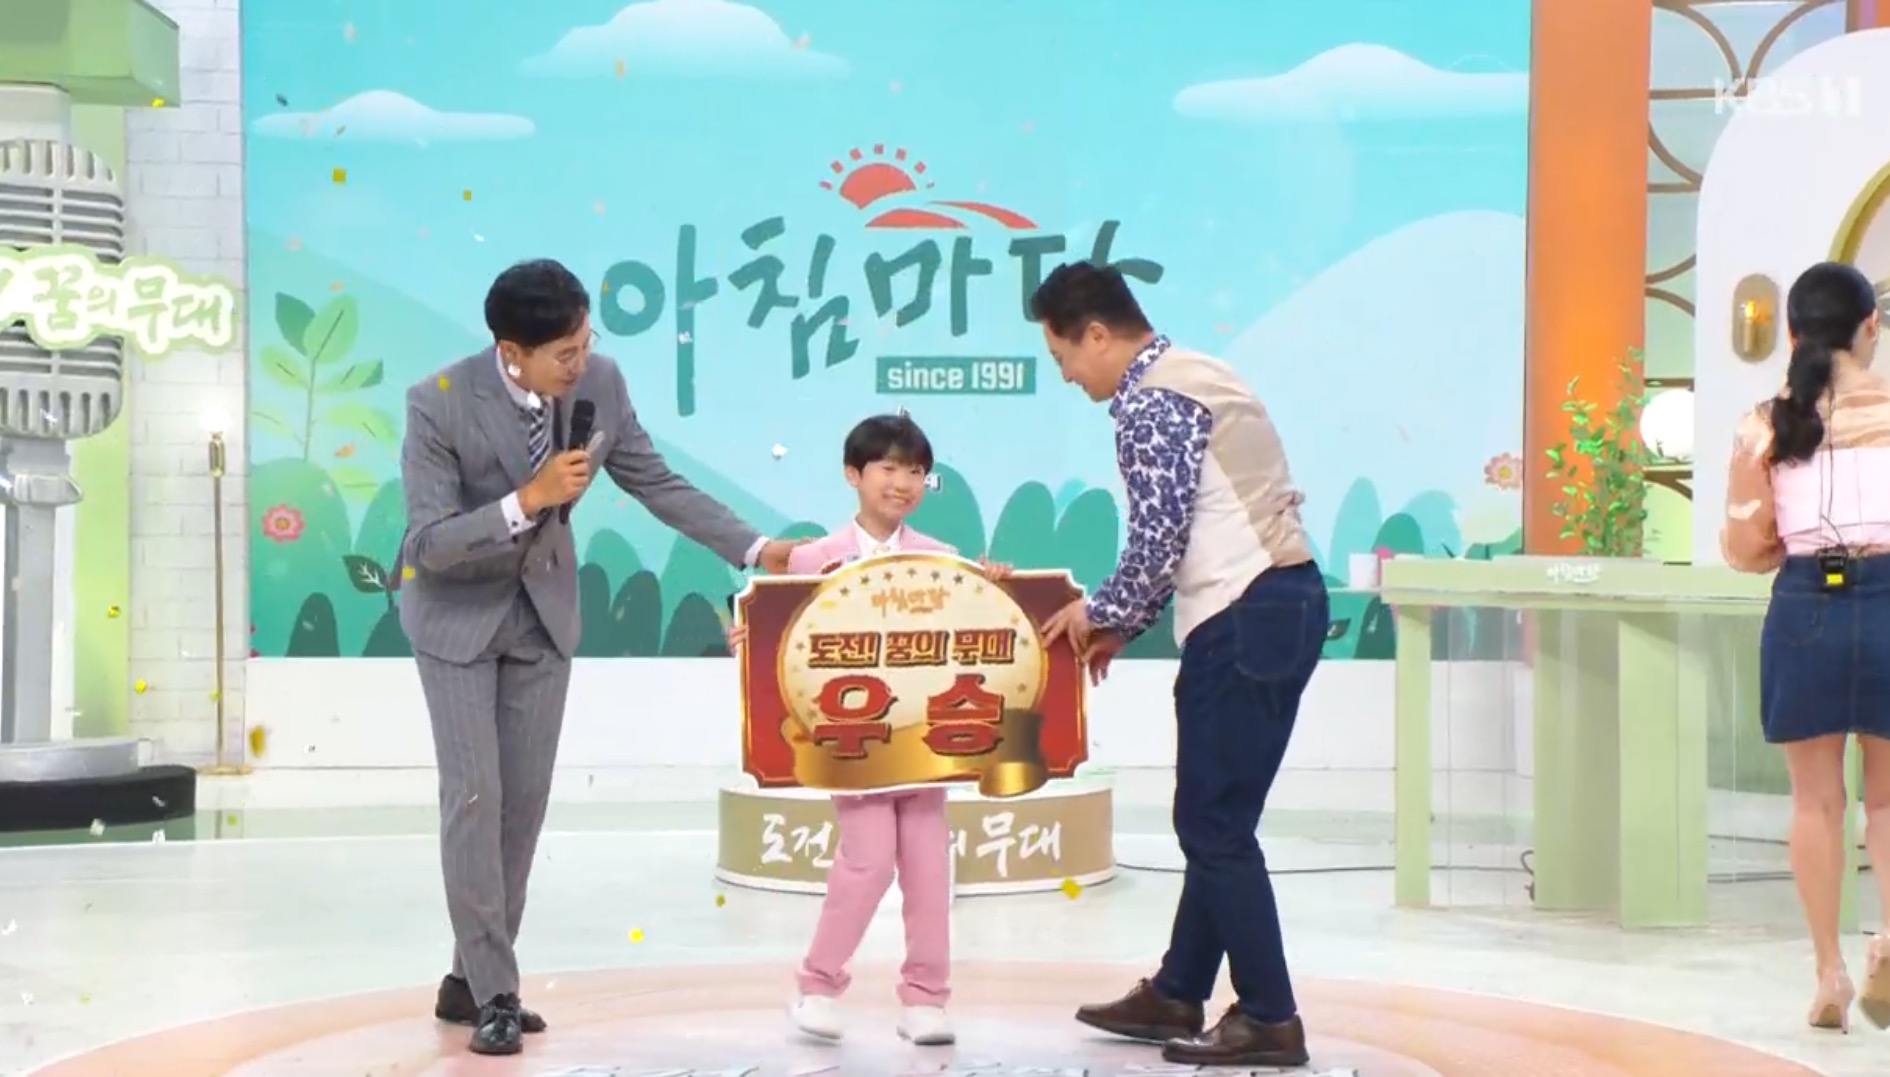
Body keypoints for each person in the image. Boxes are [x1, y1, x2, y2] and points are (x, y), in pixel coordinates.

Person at [396, 259, 804, 1055]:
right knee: (475, 798)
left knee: (521, 805)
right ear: (511, 352)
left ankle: (467, 979)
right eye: (564, 353)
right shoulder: (437, 401)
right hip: (456, 619)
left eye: (586, 342)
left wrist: (758, 548)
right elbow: (428, 543)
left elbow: (657, 481)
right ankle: (498, 991)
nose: (580, 362)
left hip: (542, 618)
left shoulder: (602, 384)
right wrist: (528, 500)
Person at [1031, 262, 1328, 1068]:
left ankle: (1270, 1016)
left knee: (1211, 824)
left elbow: (1158, 537)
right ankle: (1178, 988)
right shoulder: (1198, 372)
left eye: (1063, 355)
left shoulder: (1150, 399)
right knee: (1220, 819)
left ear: (1097, 334)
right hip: (1283, 602)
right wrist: (1128, 624)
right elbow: (1194, 526)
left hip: (1244, 613)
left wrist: (1099, 612)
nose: (1067, 375)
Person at [725, 413, 1009, 1047]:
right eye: (888, 467)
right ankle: (818, 985)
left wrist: (992, 589)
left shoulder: (943, 559)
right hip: (852, 742)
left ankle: (926, 1000)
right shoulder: (812, 558)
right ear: (853, 475)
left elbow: (975, 637)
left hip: (923, 742)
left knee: (930, 870)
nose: (902, 482)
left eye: (916, 471)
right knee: (868, 861)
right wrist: (748, 637)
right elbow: (781, 640)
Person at [1722, 260, 1890, 1033]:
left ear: (1790, 335)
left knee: (1815, 800)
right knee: (1887, 797)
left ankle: (1829, 971)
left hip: (1804, 605)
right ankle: (1888, 939)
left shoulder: (1766, 424)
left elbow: (1744, 545)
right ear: (1869, 328)